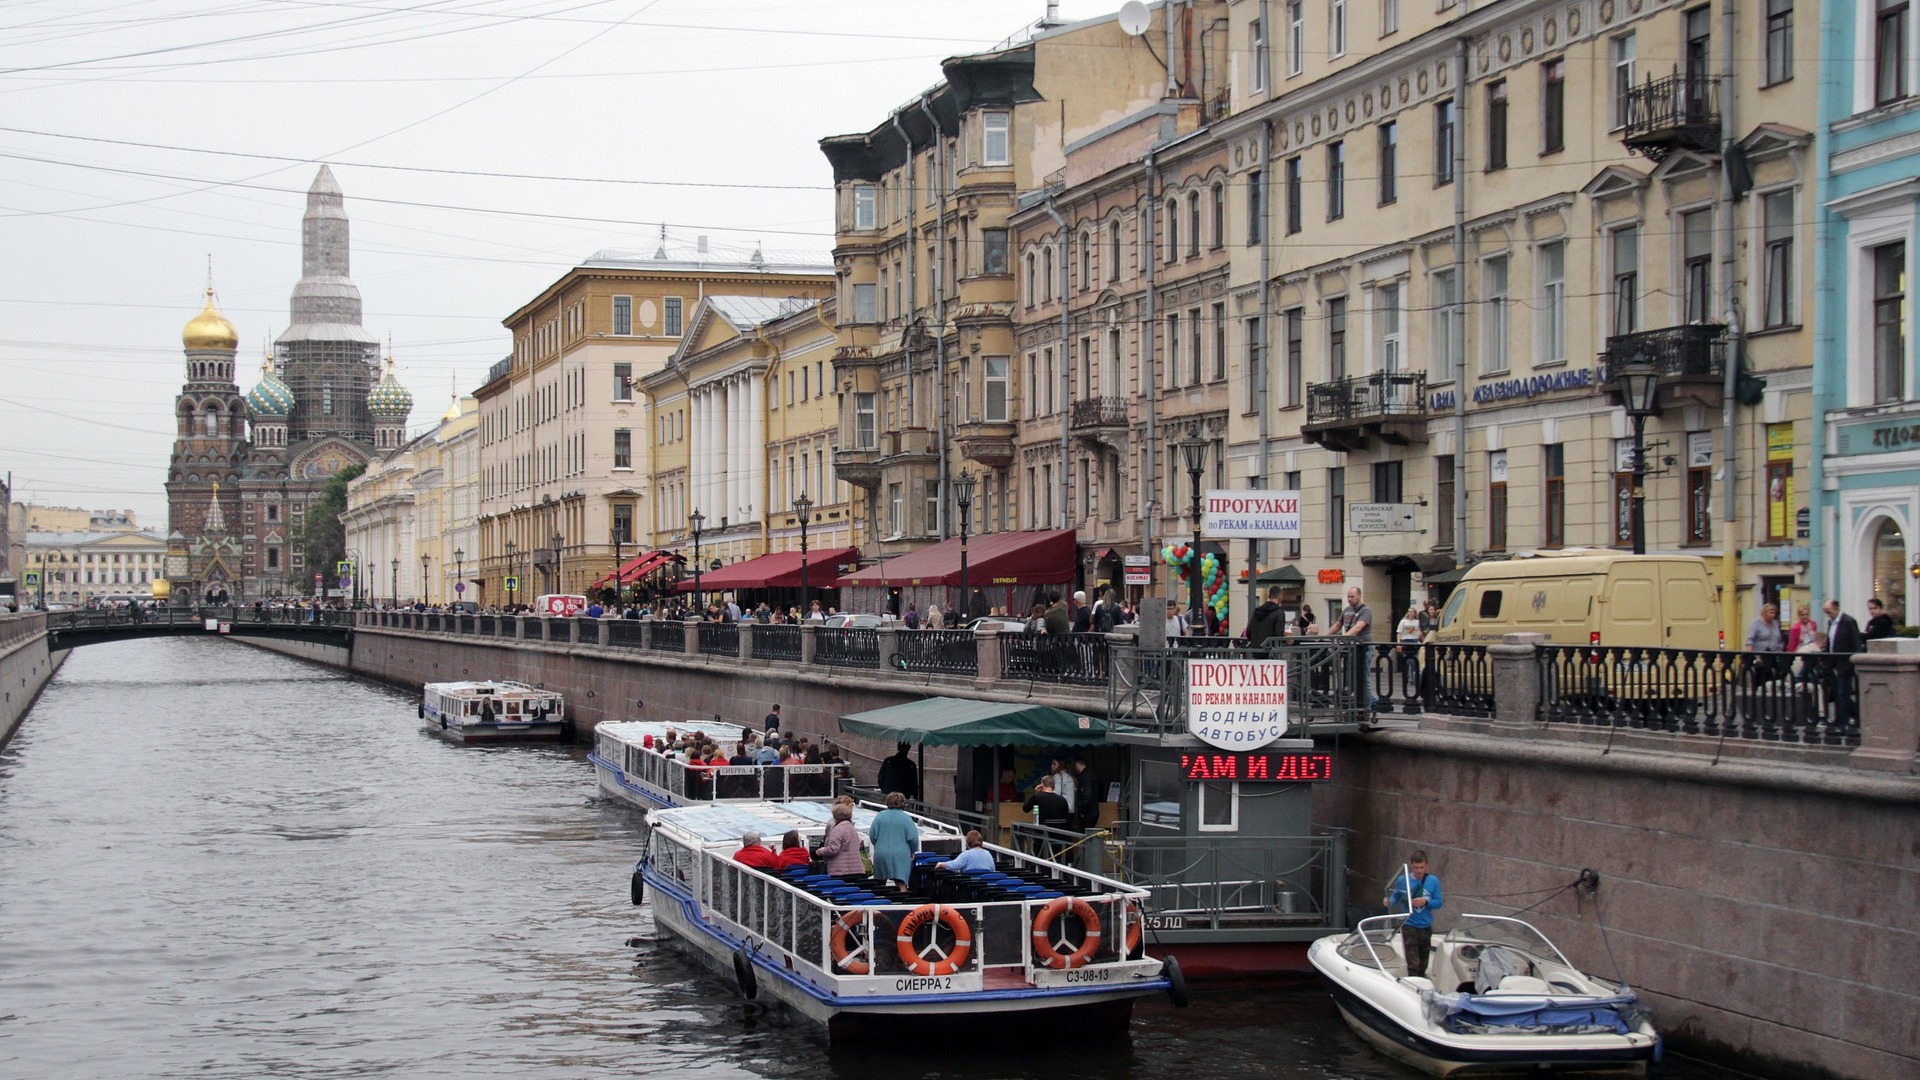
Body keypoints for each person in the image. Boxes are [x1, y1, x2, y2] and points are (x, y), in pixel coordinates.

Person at [1383, 850, 1444, 980]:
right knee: (1413, 963)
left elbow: (1439, 902)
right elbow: (1396, 896)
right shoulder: (1402, 880)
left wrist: (1426, 901)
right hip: (1409, 925)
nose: (1419, 871)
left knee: (1423, 963)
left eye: (1422, 867)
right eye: (1416, 868)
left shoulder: (1433, 881)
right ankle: (1413, 983)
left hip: (1425, 925)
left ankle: (1421, 981)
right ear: (1411, 866)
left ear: (1426, 866)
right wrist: (1389, 901)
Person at [868, 791, 920, 887]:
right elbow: (913, 838)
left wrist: (878, 844)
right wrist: (912, 850)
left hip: (881, 852)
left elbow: (872, 835)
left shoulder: (879, 816)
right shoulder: (907, 818)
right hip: (901, 854)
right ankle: (901, 899)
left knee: (880, 882)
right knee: (901, 882)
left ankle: (880, 900)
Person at [816, 801, 866, 876]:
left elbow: (833, 849)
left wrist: (821, 851)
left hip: (840, 871)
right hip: (857, 870)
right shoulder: (852, 828)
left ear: (835, 815)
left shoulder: (837, 829)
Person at [1071, 755, 1099, 831]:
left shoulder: (1084, 777)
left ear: (1077, 764)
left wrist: (1081, 808)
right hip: (1093, 811)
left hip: (1087, 813)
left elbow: (1087, 795)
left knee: (1085, 834)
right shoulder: (1091, 774)